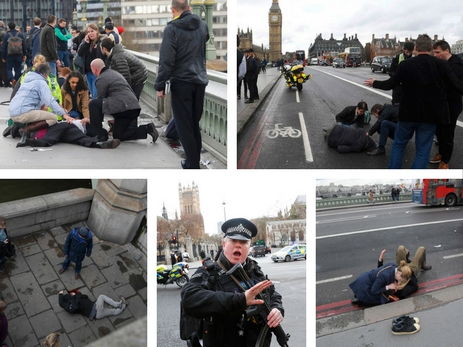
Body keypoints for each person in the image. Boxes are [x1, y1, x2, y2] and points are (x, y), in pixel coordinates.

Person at [364, 34, 463, 169]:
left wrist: (374, 83)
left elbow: (390, 84)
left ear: (416, 48)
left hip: (408, 114)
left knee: (398, 145)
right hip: (430, 116)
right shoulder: (442, 65)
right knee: (423, 151)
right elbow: (458, 85)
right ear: (431, 48)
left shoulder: (405, 64)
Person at [181, 218, 284, 347]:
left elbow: (273, 294)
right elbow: (188, 297)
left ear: (249, 246)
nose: (238, 245)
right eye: (233, 240)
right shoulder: (210, 272)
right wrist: (240, 300)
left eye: (244, 242)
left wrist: (277, 309)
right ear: (224, 244)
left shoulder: (255, 270)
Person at [154, 0, 209, 169]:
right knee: (193, 124)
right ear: (189, 8)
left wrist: (160, 85)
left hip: (182, 82)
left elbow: (166, 60)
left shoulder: (172, 28)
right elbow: (205, 39)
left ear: (173, 10)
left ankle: (192, 166)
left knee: (184, 127)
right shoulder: (203, 25)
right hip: (199, 81)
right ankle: (193, 161)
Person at [86, 58, 158, 143]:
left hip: (123, 107)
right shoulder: (114, 73)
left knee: (93, 103)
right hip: (133, 108)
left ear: (95, 70)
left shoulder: (101, 78)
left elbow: (100, 101)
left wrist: (95, 123)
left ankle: (98, 135)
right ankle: (147, 129)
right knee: (118, 135)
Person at [8, 63, 70, 146]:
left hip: (13, 111)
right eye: (48, 75)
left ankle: (17, 127)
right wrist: (63, 114)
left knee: (41, 112)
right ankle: (25, 130)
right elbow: (50, 101)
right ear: (45, 74)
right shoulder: (41, 82)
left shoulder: (28, 79)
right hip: (22, 113)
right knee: (53, 118)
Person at [429, 40, 463, 169]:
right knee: (439, 131)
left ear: (447, 50)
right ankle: (442, 153)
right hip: (441, 104)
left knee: (447, 133)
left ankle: (445, 160)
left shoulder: (456, 65)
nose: (435, 55)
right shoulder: (443, 64)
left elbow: (453, 87)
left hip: (451, 105)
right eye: (434, 52)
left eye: (438, 52)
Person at [77, 23, 106, 98]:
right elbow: (79, 53)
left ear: (97, 31)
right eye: (88, 32)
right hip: (88, 71)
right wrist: (86, 43)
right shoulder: (87, 41)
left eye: (92, 31)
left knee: (95, 95)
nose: (90, 33)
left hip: (97, 72)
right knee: (92, 93)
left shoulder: (101, 41)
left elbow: (103, 56)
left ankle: (95, 109)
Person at [59, 289, 128, 320]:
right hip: (96, 307)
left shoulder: (70, 307)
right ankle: (117, 304)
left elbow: (61, 303)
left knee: (112, 312)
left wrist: (60, 295)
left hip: (97, 316)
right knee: (101, 296)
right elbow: (86, 296)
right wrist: (61, 293)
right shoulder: (77, 297)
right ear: (71, 295)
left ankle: (123, 306)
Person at [389, 41, 415, 105]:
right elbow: (391, 71)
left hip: (410, 86)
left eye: (410, 52)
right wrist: (398, 77)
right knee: (396, 104)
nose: (408, 54)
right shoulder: (397, 58)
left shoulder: (415, 59)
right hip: (398, 86)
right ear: (403, 50)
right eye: (407, 52)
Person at [1, 22, 26, 88]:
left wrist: (3, 57)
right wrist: (24, 54)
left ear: (8, 27)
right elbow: (24, 45)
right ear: (15, 27)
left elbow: (4, 47)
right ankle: (16, 80)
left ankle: (12, 80)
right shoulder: (20, 35)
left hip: (9, 55)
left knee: (9, 68)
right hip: (19, 54)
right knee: (18, 68)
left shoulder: (6, 35)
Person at [0, 21, 9, 87]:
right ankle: (6, 81)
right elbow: (5, 43)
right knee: (3, 67)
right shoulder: (3, 32)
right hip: (1, 51)